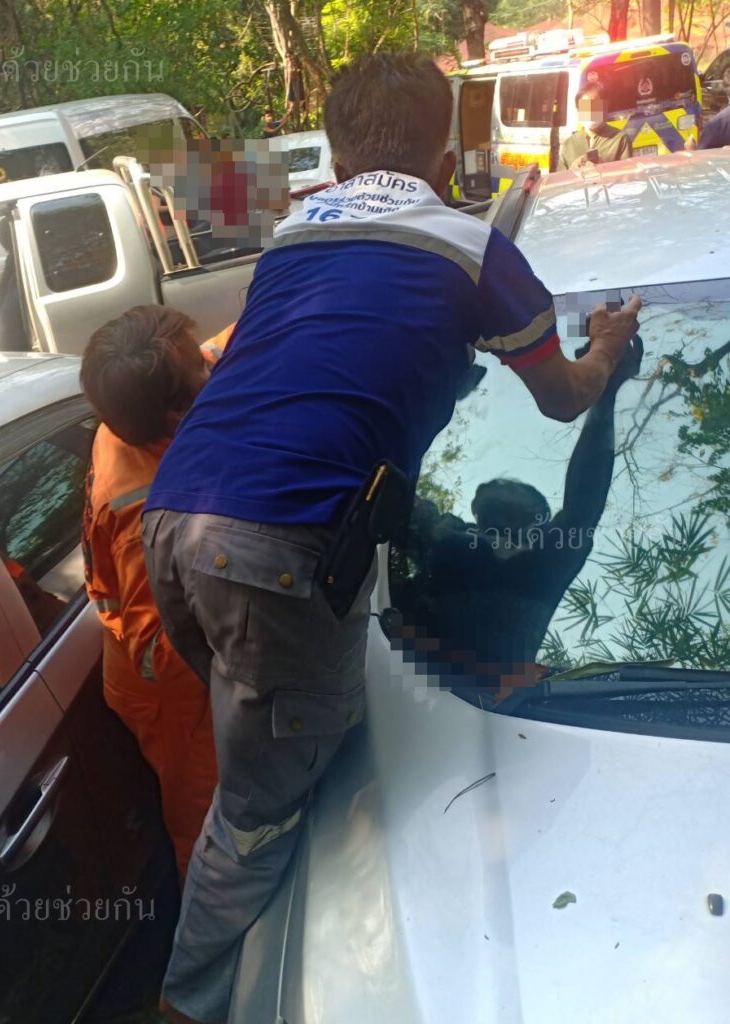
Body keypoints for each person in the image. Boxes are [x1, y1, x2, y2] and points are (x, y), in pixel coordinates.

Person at [143, 53, 642, 1024]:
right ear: (447, 161)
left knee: (269, 757)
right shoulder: (475, 252)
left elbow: (323, 373)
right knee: (259, 815)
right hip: (273, 549)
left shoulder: (294, 235)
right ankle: (185, 1002)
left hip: (172, 518)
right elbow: (560, 404)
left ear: (335, 164)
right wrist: (607, 356)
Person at [390, 336, 644, 691]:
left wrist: (605, 393)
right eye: (490, 493)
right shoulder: (447, 531)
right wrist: (436, 391)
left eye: (511, 490)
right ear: (477, 513)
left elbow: (583, 504)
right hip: (385, 667)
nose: (496, 488)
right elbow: (394, 492)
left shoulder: (548, 557)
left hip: (488, 701)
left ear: (537, 516)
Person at [80, 306, 218, 882]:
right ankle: (209, 921)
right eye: (202, 369)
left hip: (166, 678)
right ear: (176, 414)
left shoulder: (128, 407)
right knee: (206, 822)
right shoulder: (145, 512)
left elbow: (215, 349)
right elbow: (160, 649)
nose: (212, 365)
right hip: (172, 696)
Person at [560, 80, 632, 170]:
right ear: (578, 111)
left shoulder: (620, 139)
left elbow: (627, 175)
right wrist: (573, 170)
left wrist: (604, 168)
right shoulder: (569, 145)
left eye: (595, 106)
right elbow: (561, 177)